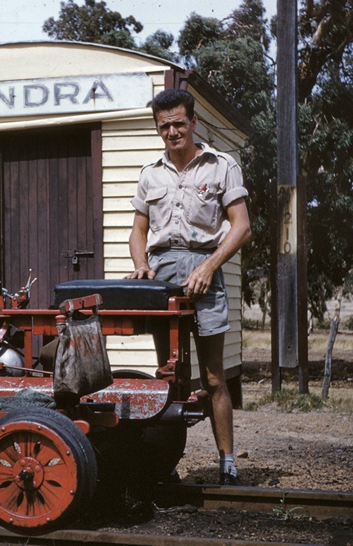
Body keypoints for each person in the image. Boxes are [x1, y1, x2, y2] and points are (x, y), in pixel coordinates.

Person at [126, 88, 252, 486]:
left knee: (213, 377)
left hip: (205, 270)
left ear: (194, 122)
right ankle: (166, 464)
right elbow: (138, 231)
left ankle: (227, 463)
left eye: (180, 123)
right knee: (169, 375)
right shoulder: (151, 173)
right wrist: (142, 265)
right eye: (165, 126)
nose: (173, 131)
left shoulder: (221, 165)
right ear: (157, 129)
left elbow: (242, 226)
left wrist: (210, 266)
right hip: (163, 276)